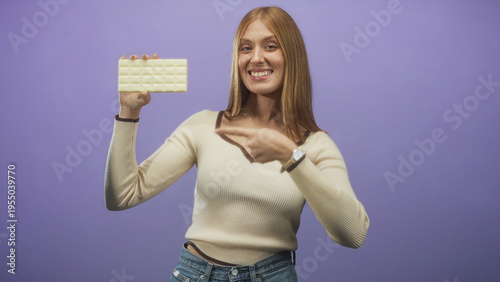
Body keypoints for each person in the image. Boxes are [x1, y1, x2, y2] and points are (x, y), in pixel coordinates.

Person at [105, 6, 370, 282]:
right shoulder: (203, 127)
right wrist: (128, 113)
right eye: (245, 48)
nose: (256, 58)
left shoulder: (315, 146)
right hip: (195, 275)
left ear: (292, 56)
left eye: (270, 46)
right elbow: (122, 195)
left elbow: (352, 234)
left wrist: (290, 156)